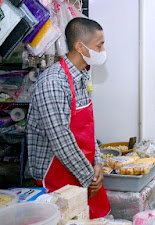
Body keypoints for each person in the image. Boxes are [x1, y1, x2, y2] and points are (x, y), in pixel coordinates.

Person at [26, 18, 110, 218]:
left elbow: (88, 131)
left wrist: (97, 162)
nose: (103, 50)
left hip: (83, 172)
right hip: (56, 180)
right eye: (99, 45)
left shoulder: (80, 78)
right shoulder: (53, 82)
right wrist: (90, 177)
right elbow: (61, 140)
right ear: (80, 46)